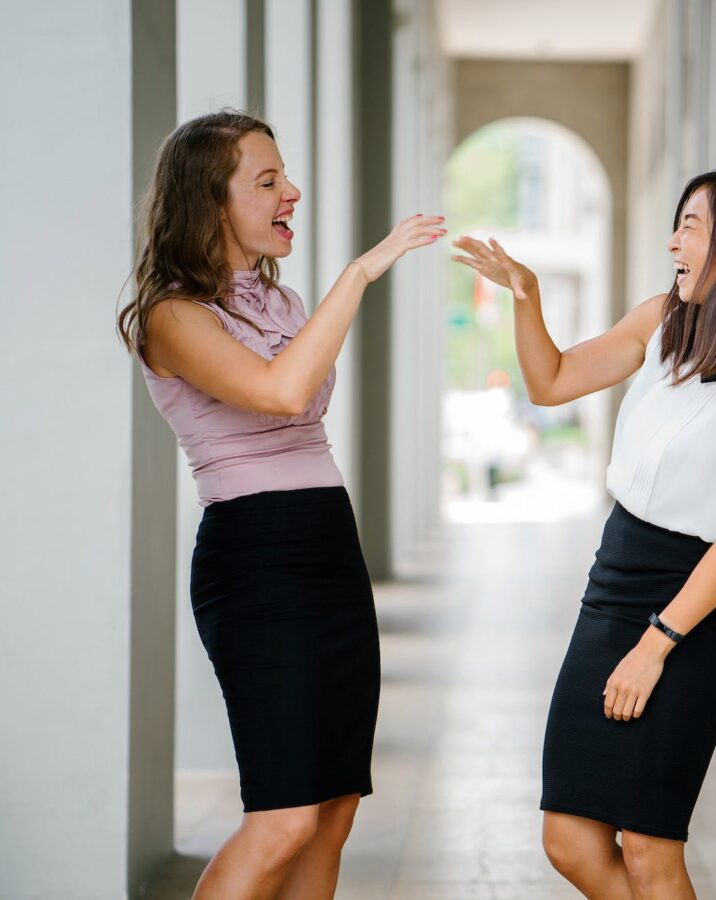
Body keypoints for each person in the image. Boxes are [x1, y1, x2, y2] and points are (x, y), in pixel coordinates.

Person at [452, 166, 716, 899]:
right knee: (569, 837)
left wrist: (656, 646)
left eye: (690, 225)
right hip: (612, 585)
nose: (671, 241)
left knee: (651, 847)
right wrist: (526, 298)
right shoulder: (661, 324)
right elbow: (551, 381)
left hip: (691, 612)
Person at [116, 110, 445, 899]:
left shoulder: (281, 301)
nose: (291, 192)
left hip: (329, 550)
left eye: (285, 176)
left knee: (333, 812)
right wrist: (360, 274)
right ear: (209, 202)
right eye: (267, 182)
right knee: (284, 817)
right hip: (256, 561)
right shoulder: (171, 315)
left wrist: (330, 292)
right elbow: (282, 390)